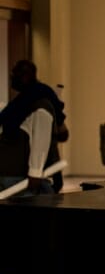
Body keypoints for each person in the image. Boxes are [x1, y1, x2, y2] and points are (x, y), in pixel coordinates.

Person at [0, 60, 67, 195]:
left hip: (18, 175)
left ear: (25, 76)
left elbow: (40, 139)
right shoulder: (24, 100)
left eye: (14, 74)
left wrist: (35, 172)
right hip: (10, 172)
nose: (12, 78)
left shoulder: (39, 104)